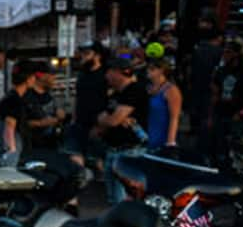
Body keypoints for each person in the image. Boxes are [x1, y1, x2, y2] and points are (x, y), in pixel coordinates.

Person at [94, 59, 150, 202]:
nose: (106, 76)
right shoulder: (115, 95)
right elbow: (101, 117)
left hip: (130, 151)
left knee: (126, 197)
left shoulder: (135, 90)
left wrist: (113, 119)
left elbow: (113, 120)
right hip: (112, 149)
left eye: (109, 72)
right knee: (113, 198)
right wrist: (112, 119)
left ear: (119, 73)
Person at [209, 37, 243, 164]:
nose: (225, 55)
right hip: (221, 111)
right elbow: (215, 93)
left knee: (236, 145)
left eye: (228, 52)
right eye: (224, 52)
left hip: (237, 113)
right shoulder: (221, 70)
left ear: (236, 54)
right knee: (219, 145)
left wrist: (242, 112)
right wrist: (211, 115)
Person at [0, 63, 62, 152]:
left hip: (26, 146)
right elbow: (9, 128)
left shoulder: (15, 97)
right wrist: (11, 153)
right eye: (33, 77)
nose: (34, 79)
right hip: (18, 150)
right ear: (28, 79)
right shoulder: (14, 100)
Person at [69, 43, 111, 169]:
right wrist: (74, 117)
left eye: (87, 54)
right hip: (80, 121)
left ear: (97, 56)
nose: (83, 57)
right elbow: (78, 97)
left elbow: (109, 100)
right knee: (75, 156)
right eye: (82, 54)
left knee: (97, 160)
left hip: (98, 123)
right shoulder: (82, 75)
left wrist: (102, 125)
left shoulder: (105, 75)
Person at [186, 26, 223, 142]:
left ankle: (195, 130)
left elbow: (189, 68)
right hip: (210, 84)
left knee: (196, 108)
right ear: (218, 38)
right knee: (207, 110)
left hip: (196, 83)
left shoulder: (197, 49)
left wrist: (189, 81)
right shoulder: (218, 51)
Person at [143, 55, 182, 150]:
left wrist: (170, 142)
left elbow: (174, 118)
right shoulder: (147, 87)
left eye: (152, 68)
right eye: (147, 68)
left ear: (161, 70)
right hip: (146, 137)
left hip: (162, 138)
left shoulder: (171, 90)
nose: (148, 70)